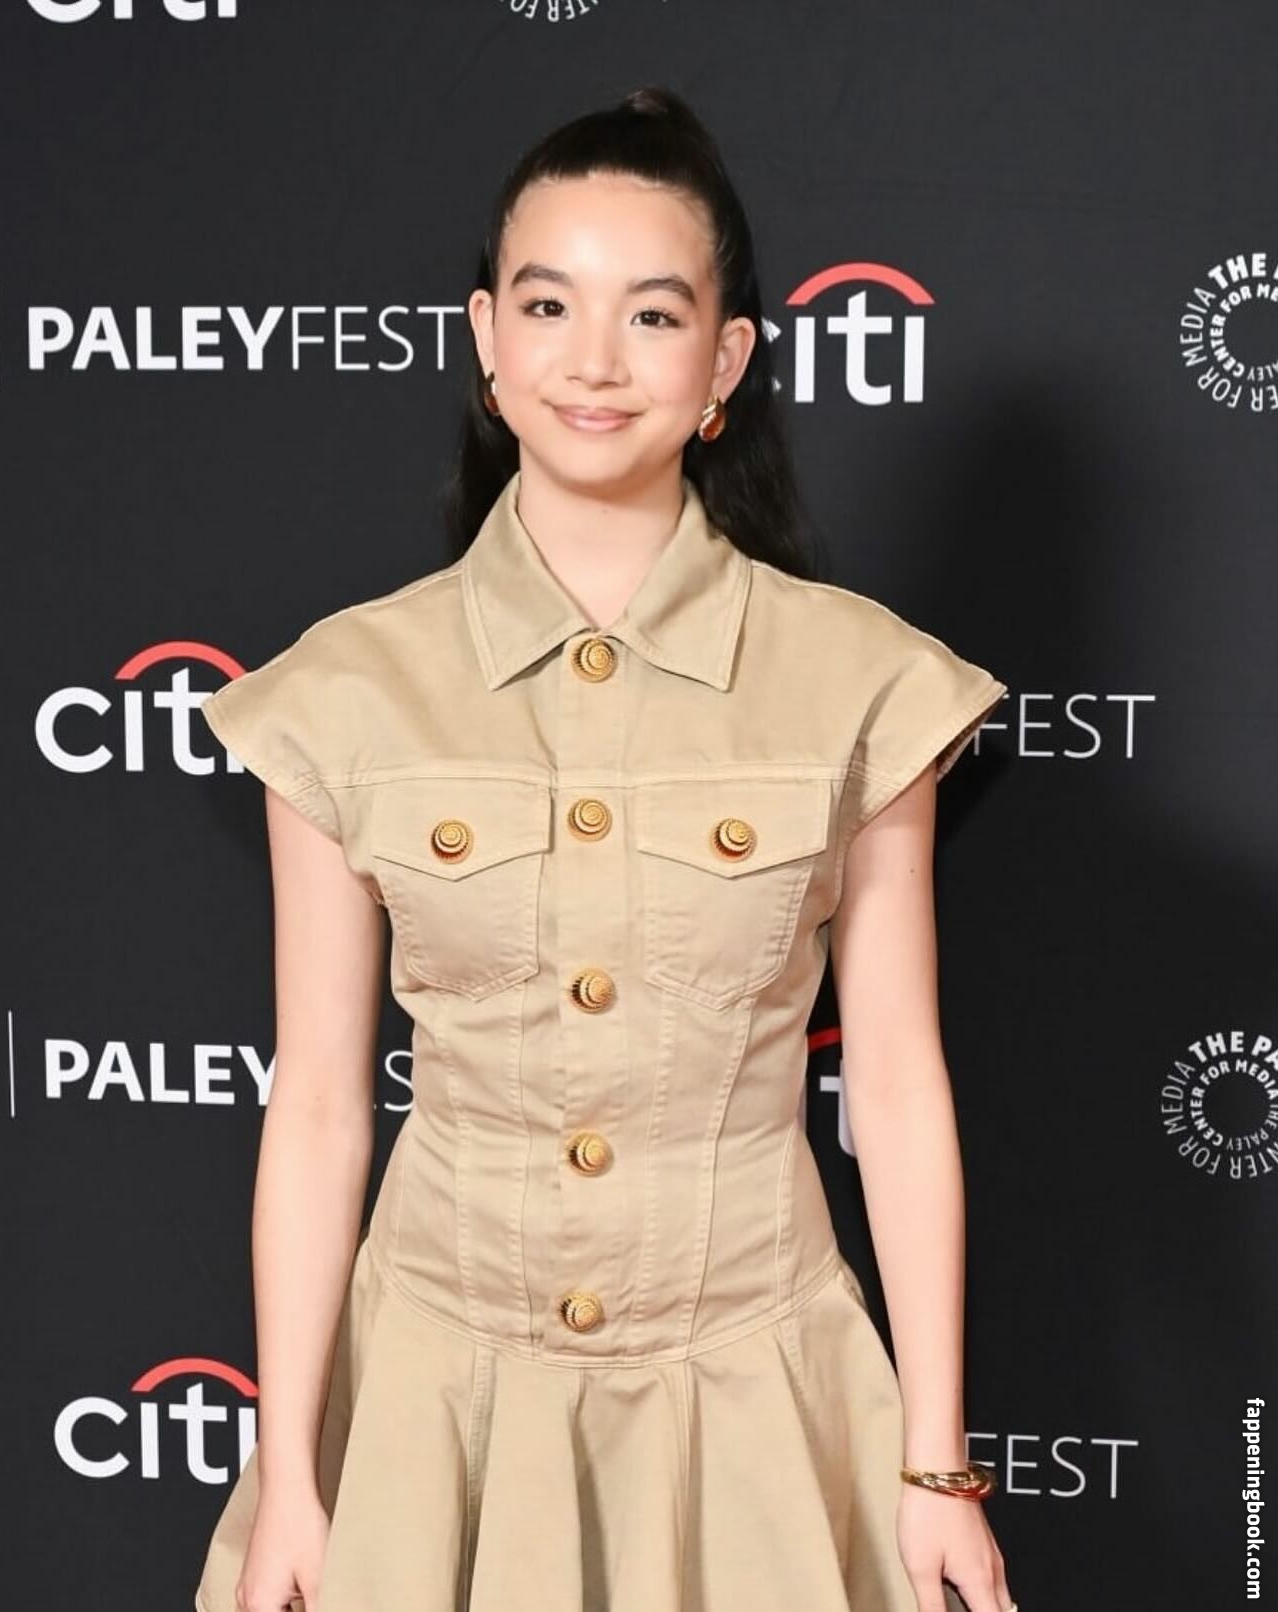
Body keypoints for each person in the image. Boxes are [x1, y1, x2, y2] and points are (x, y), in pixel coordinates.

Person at [193, 85, 1017, 1612]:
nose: (591, 359)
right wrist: (293, 1467)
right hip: (432, 1401)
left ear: (724, 363)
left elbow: (897, 1088)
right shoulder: (342, 694)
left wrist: (932, 1465)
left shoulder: (863, 685)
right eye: (545, 304)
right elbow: (314, 1107)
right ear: (484, 340)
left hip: (757, 1393)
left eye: (650, 314)